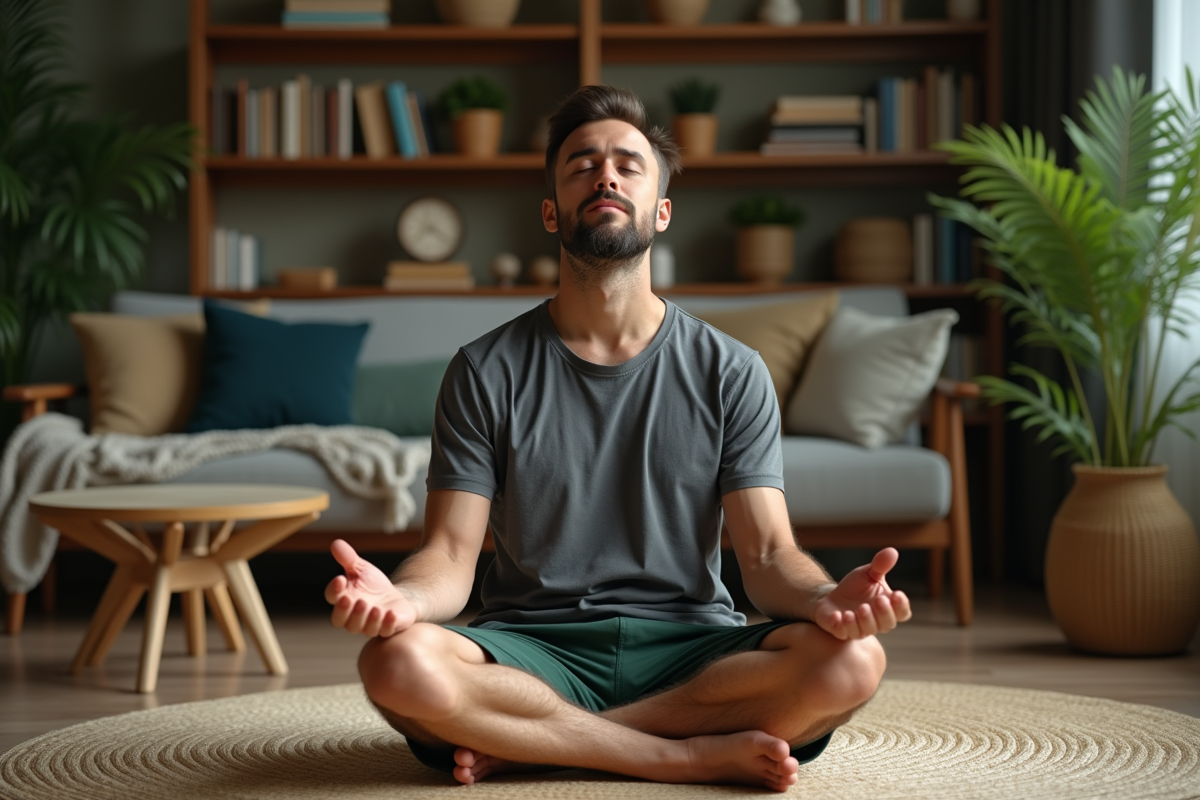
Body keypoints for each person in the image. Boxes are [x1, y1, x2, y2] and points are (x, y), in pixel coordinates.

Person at [325, 85, 912, 792]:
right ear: (551, 212)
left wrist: (824, 601)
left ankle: (540, 742)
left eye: (629, 164)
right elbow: (449, 554)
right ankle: (678, 754)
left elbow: (766, 554)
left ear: (661, 212)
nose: (606, 174)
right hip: (530, 647)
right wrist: (404, 604)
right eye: (582, 163)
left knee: (854, 661)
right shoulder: (484, 369)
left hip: (692, 645)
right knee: (395, 663)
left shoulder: (731, 371)